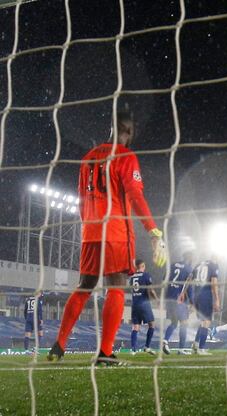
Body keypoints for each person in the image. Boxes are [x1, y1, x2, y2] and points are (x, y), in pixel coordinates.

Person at [47, 111, 167, 366]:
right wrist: (153, 230)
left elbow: (81, 201)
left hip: (90, 232)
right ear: (129, 131)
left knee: (84, 287)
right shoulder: (127, 157)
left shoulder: (87, 158)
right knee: (116, 286)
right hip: (115, 233)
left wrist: (89, 226)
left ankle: (59, 344)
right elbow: (135, 196)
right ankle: (105, 352)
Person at [181, 257, 221, 355]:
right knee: (207, 321)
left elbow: (189, 279)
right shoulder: (213, 265)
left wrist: (183, 292)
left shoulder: (198, 264)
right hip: (206, 294)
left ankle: (196, 344)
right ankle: (201, 348)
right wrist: (217, 299)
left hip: (196, 294)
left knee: (203, 321)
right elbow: (214, 283)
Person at [163, 252, 194, 355]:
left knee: (174, 323)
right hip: (179, 299)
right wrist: (192, 302)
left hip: (169, 297)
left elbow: (165, 279)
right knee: (184, 323)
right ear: (190, 258)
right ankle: (181, 349)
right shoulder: (189, 269)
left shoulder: (172, 265)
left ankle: (165, 340)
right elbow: (188, 287)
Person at [129, 259, 158, 355]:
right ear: (142, 266)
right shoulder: (146, 275)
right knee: (152, 324)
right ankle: (147, 347)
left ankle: (133, 349)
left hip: (134, 304)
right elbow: (151, 290)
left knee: (135, 327)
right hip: (144, 303)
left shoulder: (132, 277)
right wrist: (157, 300)